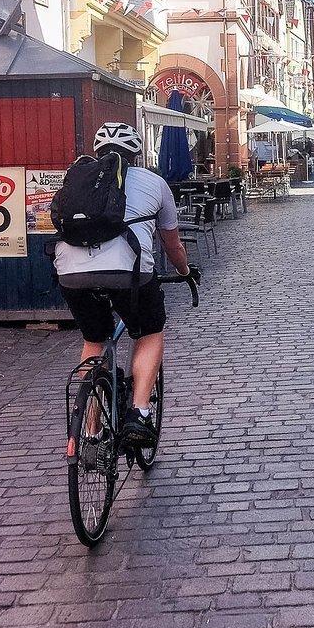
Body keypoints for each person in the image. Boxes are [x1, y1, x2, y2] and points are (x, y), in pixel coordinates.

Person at [53, 122, 196, 448]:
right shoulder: (155, 183)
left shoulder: (77, 179)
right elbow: (173, 246)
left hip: (71, 274)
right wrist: (186, 271)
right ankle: (140, 413)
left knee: (93, 341)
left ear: (97, 151)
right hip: (129, 275)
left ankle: (90, 430)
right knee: (150, 331)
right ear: (137, 155)